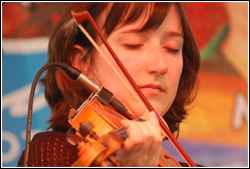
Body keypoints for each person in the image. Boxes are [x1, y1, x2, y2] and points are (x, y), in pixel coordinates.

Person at [18, 2, 200, 167]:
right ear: (81, 62)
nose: (160, 66)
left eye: (172, 47)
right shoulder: (53, 152)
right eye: (133, 44)